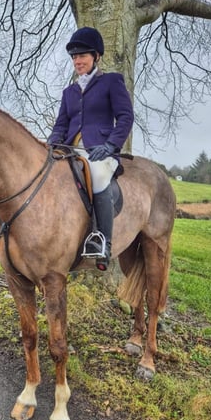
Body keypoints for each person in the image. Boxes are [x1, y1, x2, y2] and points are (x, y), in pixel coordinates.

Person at [47, 27, 134, 271]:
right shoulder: (69, 92)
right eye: (74, 57)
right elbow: (61, 124)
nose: (77, 61)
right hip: (71, 151)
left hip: (101, 153)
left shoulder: (111, 82)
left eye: (82, 55)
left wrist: (110, 146)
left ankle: (101, 241)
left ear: (96, 56)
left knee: (96, 174)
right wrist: (53, 142)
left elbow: (125, 117)